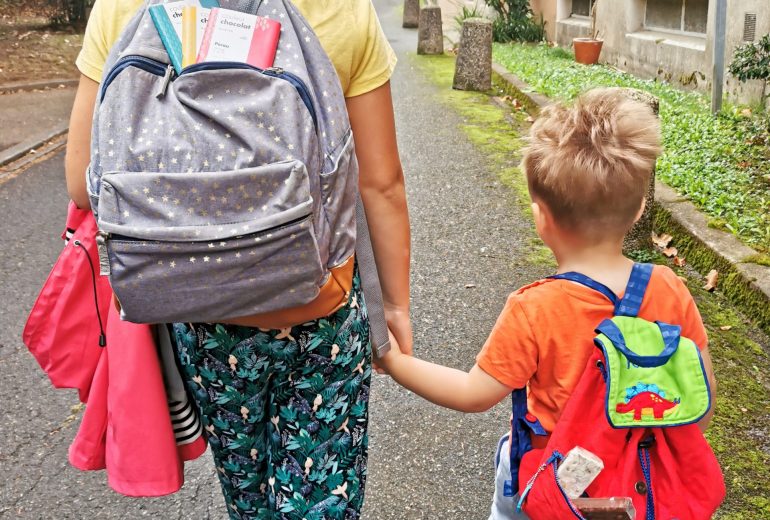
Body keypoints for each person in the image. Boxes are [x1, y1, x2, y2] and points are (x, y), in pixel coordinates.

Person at [65, 0, 412, 517]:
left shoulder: (124, 7)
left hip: (201, 313)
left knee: (248, 498)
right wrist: (396, 308)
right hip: (322, 310)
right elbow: (379, 183)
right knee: (321, 496)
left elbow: (81, 183)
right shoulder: (342, 8)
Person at [378, 88, 717, 519]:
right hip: (641, 486)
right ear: (639, 211)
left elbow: (473, 393)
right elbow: (699, 402)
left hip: (556, 491)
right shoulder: (669, 288)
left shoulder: (534, 309)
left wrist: (393, 361)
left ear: (541, 218)